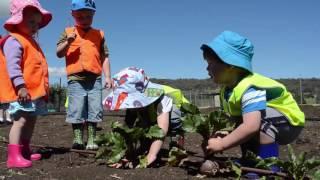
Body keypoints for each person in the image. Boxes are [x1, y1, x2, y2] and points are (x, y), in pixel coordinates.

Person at [201, 31, 305, 174]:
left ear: (230, 64)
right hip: (267, 121)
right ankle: (251, 160)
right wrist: (224, 133)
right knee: (243, 122)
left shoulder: (250, 88)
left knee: (255, 122)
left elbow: (251, 126)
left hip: (288, 123)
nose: (207, 68)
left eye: (210, 63)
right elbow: (237, 122)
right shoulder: (227, 90)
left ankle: (269, 165)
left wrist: (221, 144)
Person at [0, 0, 52, 168]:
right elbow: (13, 66)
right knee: (20, 120)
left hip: (33, 92)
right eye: (31, 22)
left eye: (37, 23)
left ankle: (24, 150)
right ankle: (13, 156)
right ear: (17, 20)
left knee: (31, 120)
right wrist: (20, 86)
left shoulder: (30, 42)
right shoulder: (14, 41)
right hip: (22, 91)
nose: (35, 26)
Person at [103, 67, 188, 166]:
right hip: (153, 116)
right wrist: (124, 154)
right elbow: (127, 128)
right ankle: (146, 145)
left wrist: (151, 155)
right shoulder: (133, 107)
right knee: (141, 124)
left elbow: (162, 129)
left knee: (174, 117)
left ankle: (177, 145)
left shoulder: (160, 95)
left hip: (175, 113)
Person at [56, 0, 112, 150]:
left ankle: (92, 138)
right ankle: (78, 139)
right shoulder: (68, 32)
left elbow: (105, 56)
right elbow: (59, 53)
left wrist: (108, 77)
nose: (85, 20)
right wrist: (68, 42)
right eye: (80, 17)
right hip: (76, 78)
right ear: (73, 15)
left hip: (95, 79)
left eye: (88, 16)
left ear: (93, 14)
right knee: (76, 108)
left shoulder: (99, 34)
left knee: (95, 108)